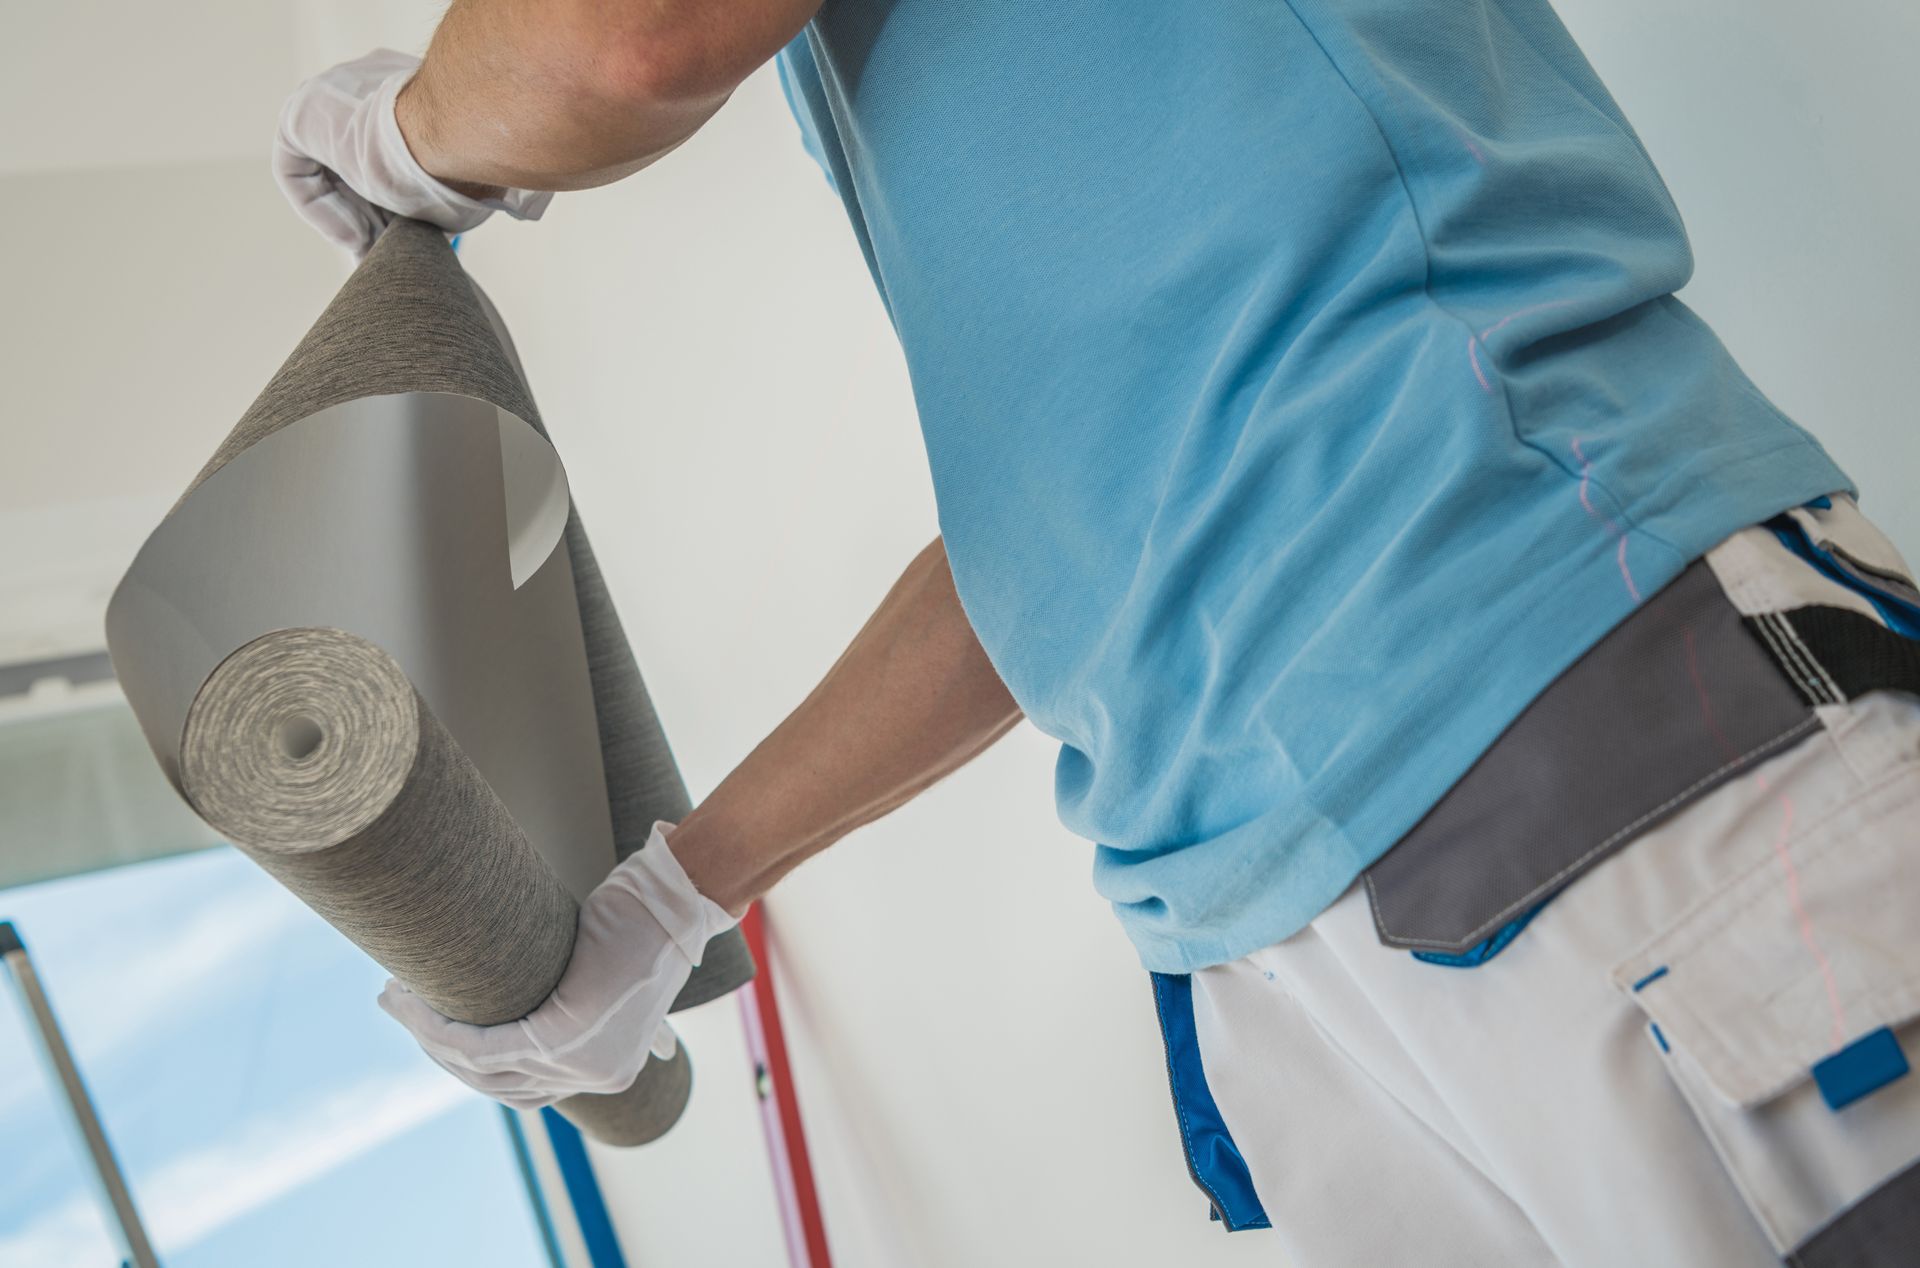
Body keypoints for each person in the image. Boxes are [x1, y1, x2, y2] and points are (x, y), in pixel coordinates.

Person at [275, 3, 1920, 1264]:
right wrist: (677, 891)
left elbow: (617, 41)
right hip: (1287, 947)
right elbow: (1068, 538)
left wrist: (417, 131)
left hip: (1574, 696)